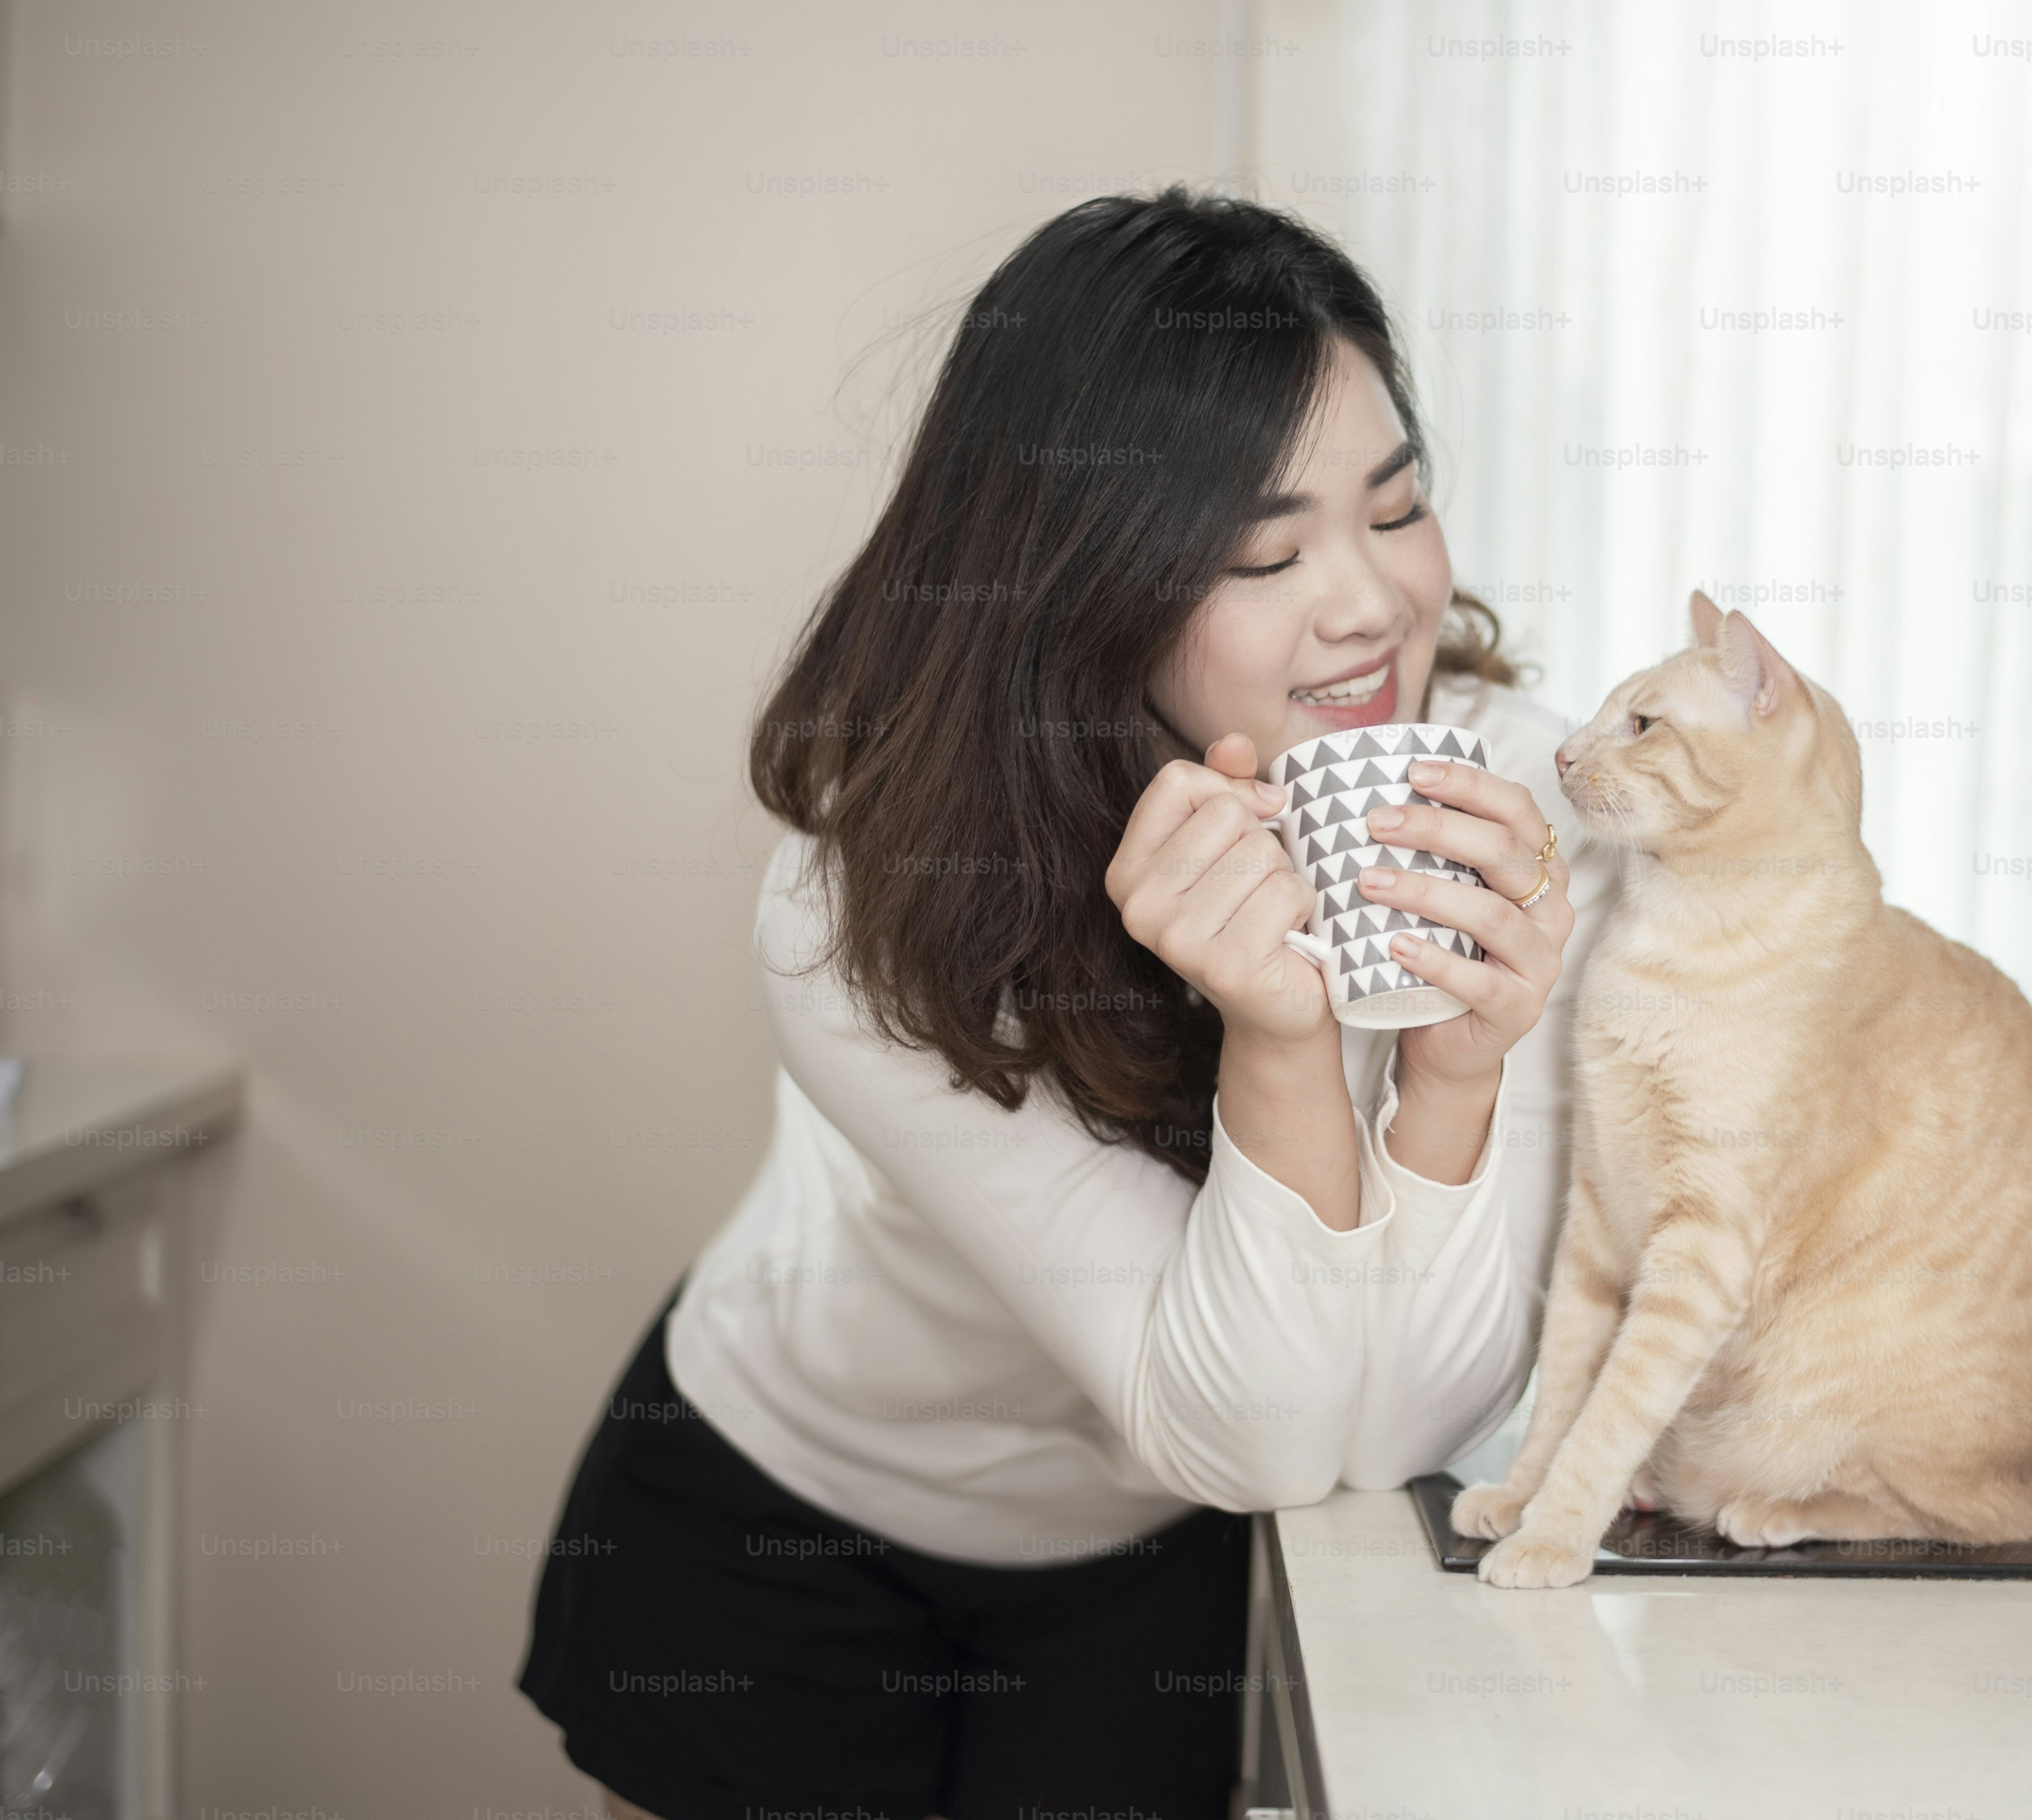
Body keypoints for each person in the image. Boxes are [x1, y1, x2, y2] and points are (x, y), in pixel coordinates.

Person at [516, 187, 1619, 1820]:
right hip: (785, 1509)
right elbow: (1250, 1419)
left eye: (1397, 510)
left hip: (1144, 1541)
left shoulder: (1507, 795)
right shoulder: (861, 902)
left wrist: (1447, 1077)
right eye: (1263, 550)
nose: (1370, 604)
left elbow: (1364, 1440)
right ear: (1079, 585)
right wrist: (1284, 1043)